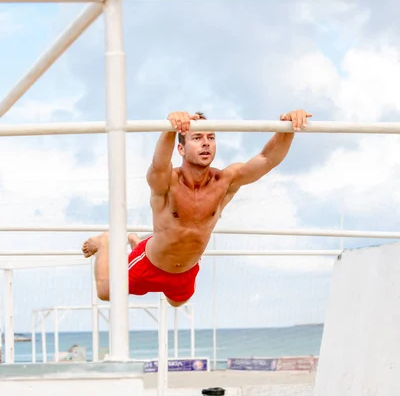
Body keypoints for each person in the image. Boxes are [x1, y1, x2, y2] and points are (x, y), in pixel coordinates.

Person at [82, 109, 311, 307]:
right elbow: (159, 164)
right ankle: (106, 242)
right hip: (151, 263)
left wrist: (288, 127)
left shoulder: (225, 181)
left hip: (185, 271)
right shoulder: (167, 181)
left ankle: (134, 241)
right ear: (180, 149)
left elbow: (267, 159)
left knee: (177, 302)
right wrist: (170, 128)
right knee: (105, 292)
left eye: (211, 137)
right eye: (197, 137)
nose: (206, 143)